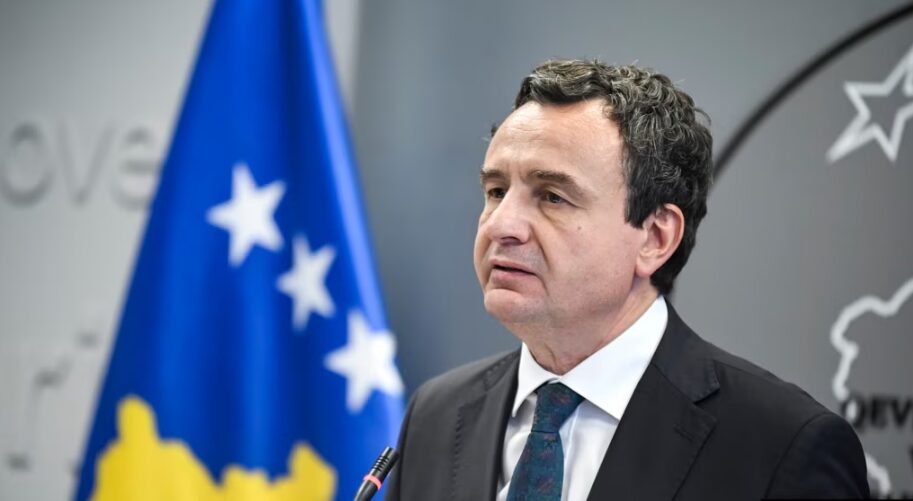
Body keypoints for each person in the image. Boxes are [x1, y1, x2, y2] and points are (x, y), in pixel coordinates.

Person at [385, 60, 869, 500]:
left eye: (552, 197)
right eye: (496, 191)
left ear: (655, 238)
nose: (501, 225)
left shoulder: (782, 445)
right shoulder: (437, 414)